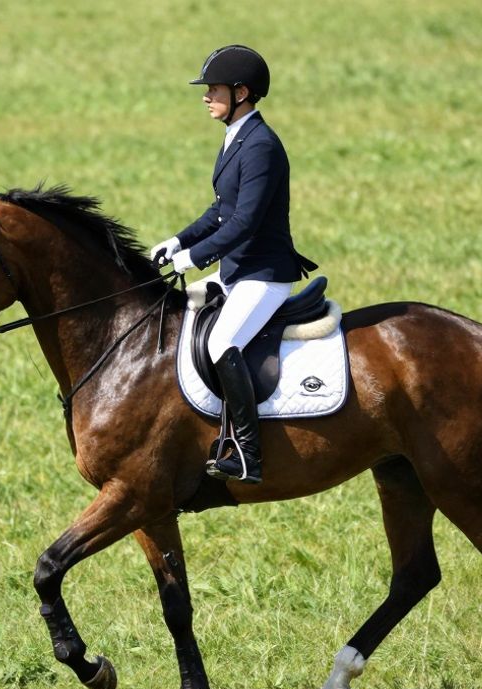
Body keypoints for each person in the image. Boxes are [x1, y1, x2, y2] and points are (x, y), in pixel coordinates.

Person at [152, 44, 314, 485]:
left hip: (263, 275)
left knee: (222, 343)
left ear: (242, 92)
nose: (206, 96)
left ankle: (246, 451)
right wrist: (178, 240)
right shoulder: (236, 137)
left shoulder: (261, 145)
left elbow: (244, 222)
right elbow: (221, 209)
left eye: (214, 89)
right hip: (236, 272)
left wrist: (194, 257)